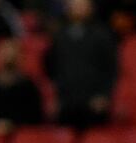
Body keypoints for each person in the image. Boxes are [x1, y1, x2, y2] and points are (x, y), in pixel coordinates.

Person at [44, 0, 118, 130]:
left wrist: (104, 96)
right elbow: (50, 68)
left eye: (82, 4)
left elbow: (111, 69)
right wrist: (54, 96)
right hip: (66, 103)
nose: (78, 8)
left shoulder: (102, 35)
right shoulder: (59, 36)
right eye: (75, 4)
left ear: (91, 8)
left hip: (93, 103)